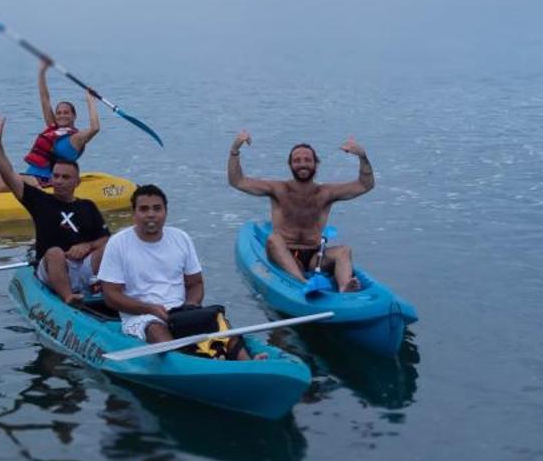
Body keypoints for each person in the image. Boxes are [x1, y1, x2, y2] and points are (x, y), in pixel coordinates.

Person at [96, 184, 251, 357]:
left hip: (181, 311)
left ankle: (248, 361)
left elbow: (195, 283)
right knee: (156, 329)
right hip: (140, 316)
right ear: (134, 213)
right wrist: (149, 308)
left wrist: (191, 305)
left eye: (157, 208)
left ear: (165, 211)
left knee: (218, 321)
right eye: (144, 209)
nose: (151, 215)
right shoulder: (118, 243)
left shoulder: (180, 238)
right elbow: (111, 296)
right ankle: (187, 364)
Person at [227, 132, 375, 293]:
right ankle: (302, 283)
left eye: (307, 160)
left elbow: (364, 185)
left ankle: (345, 287)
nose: (302, 164)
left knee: (344, 251)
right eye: (297, 161)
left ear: (316, 164)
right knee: (273, 239)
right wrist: (235, 150)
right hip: (285, 253)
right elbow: (238, 181)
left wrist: (362, 156)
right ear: (290, 165)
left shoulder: (326, 192)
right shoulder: (278, 189)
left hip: (315, 257)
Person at [0, 59, 102, 196]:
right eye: (59, 112)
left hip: (46, 182)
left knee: (3, 179)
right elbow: (45, 99)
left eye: (66, 113)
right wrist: (42, 71)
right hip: (31, 176)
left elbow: (95, 128)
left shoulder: (76, 138)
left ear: (74, 116)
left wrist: (90, 100)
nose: (61, 115)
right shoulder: (53, 128)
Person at [0, 113, 108, 302]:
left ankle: (108, 292)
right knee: (55, 252)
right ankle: (68, 298)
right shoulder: (40, 200)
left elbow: (105, 240)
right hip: (51, 266)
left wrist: (87, 246)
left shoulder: (87, 206)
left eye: (65, 177)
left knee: (107, 250)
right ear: (51, 179)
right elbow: (8, 174)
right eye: (56, 176)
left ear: (77, 182)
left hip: (80, 265)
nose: (59, 181)